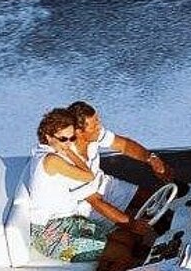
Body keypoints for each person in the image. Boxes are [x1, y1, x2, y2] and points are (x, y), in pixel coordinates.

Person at [27, 108, 155, 263]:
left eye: (71, 137)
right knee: (121, 253)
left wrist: (67, 149)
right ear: (47, 137)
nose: (68, 143)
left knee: (125, 238)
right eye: (63, 139)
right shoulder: (52, 160)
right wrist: (69, 151)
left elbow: (88, 173)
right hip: (50, 234)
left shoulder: (53, 151)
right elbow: (88, 176)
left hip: (67, 221)